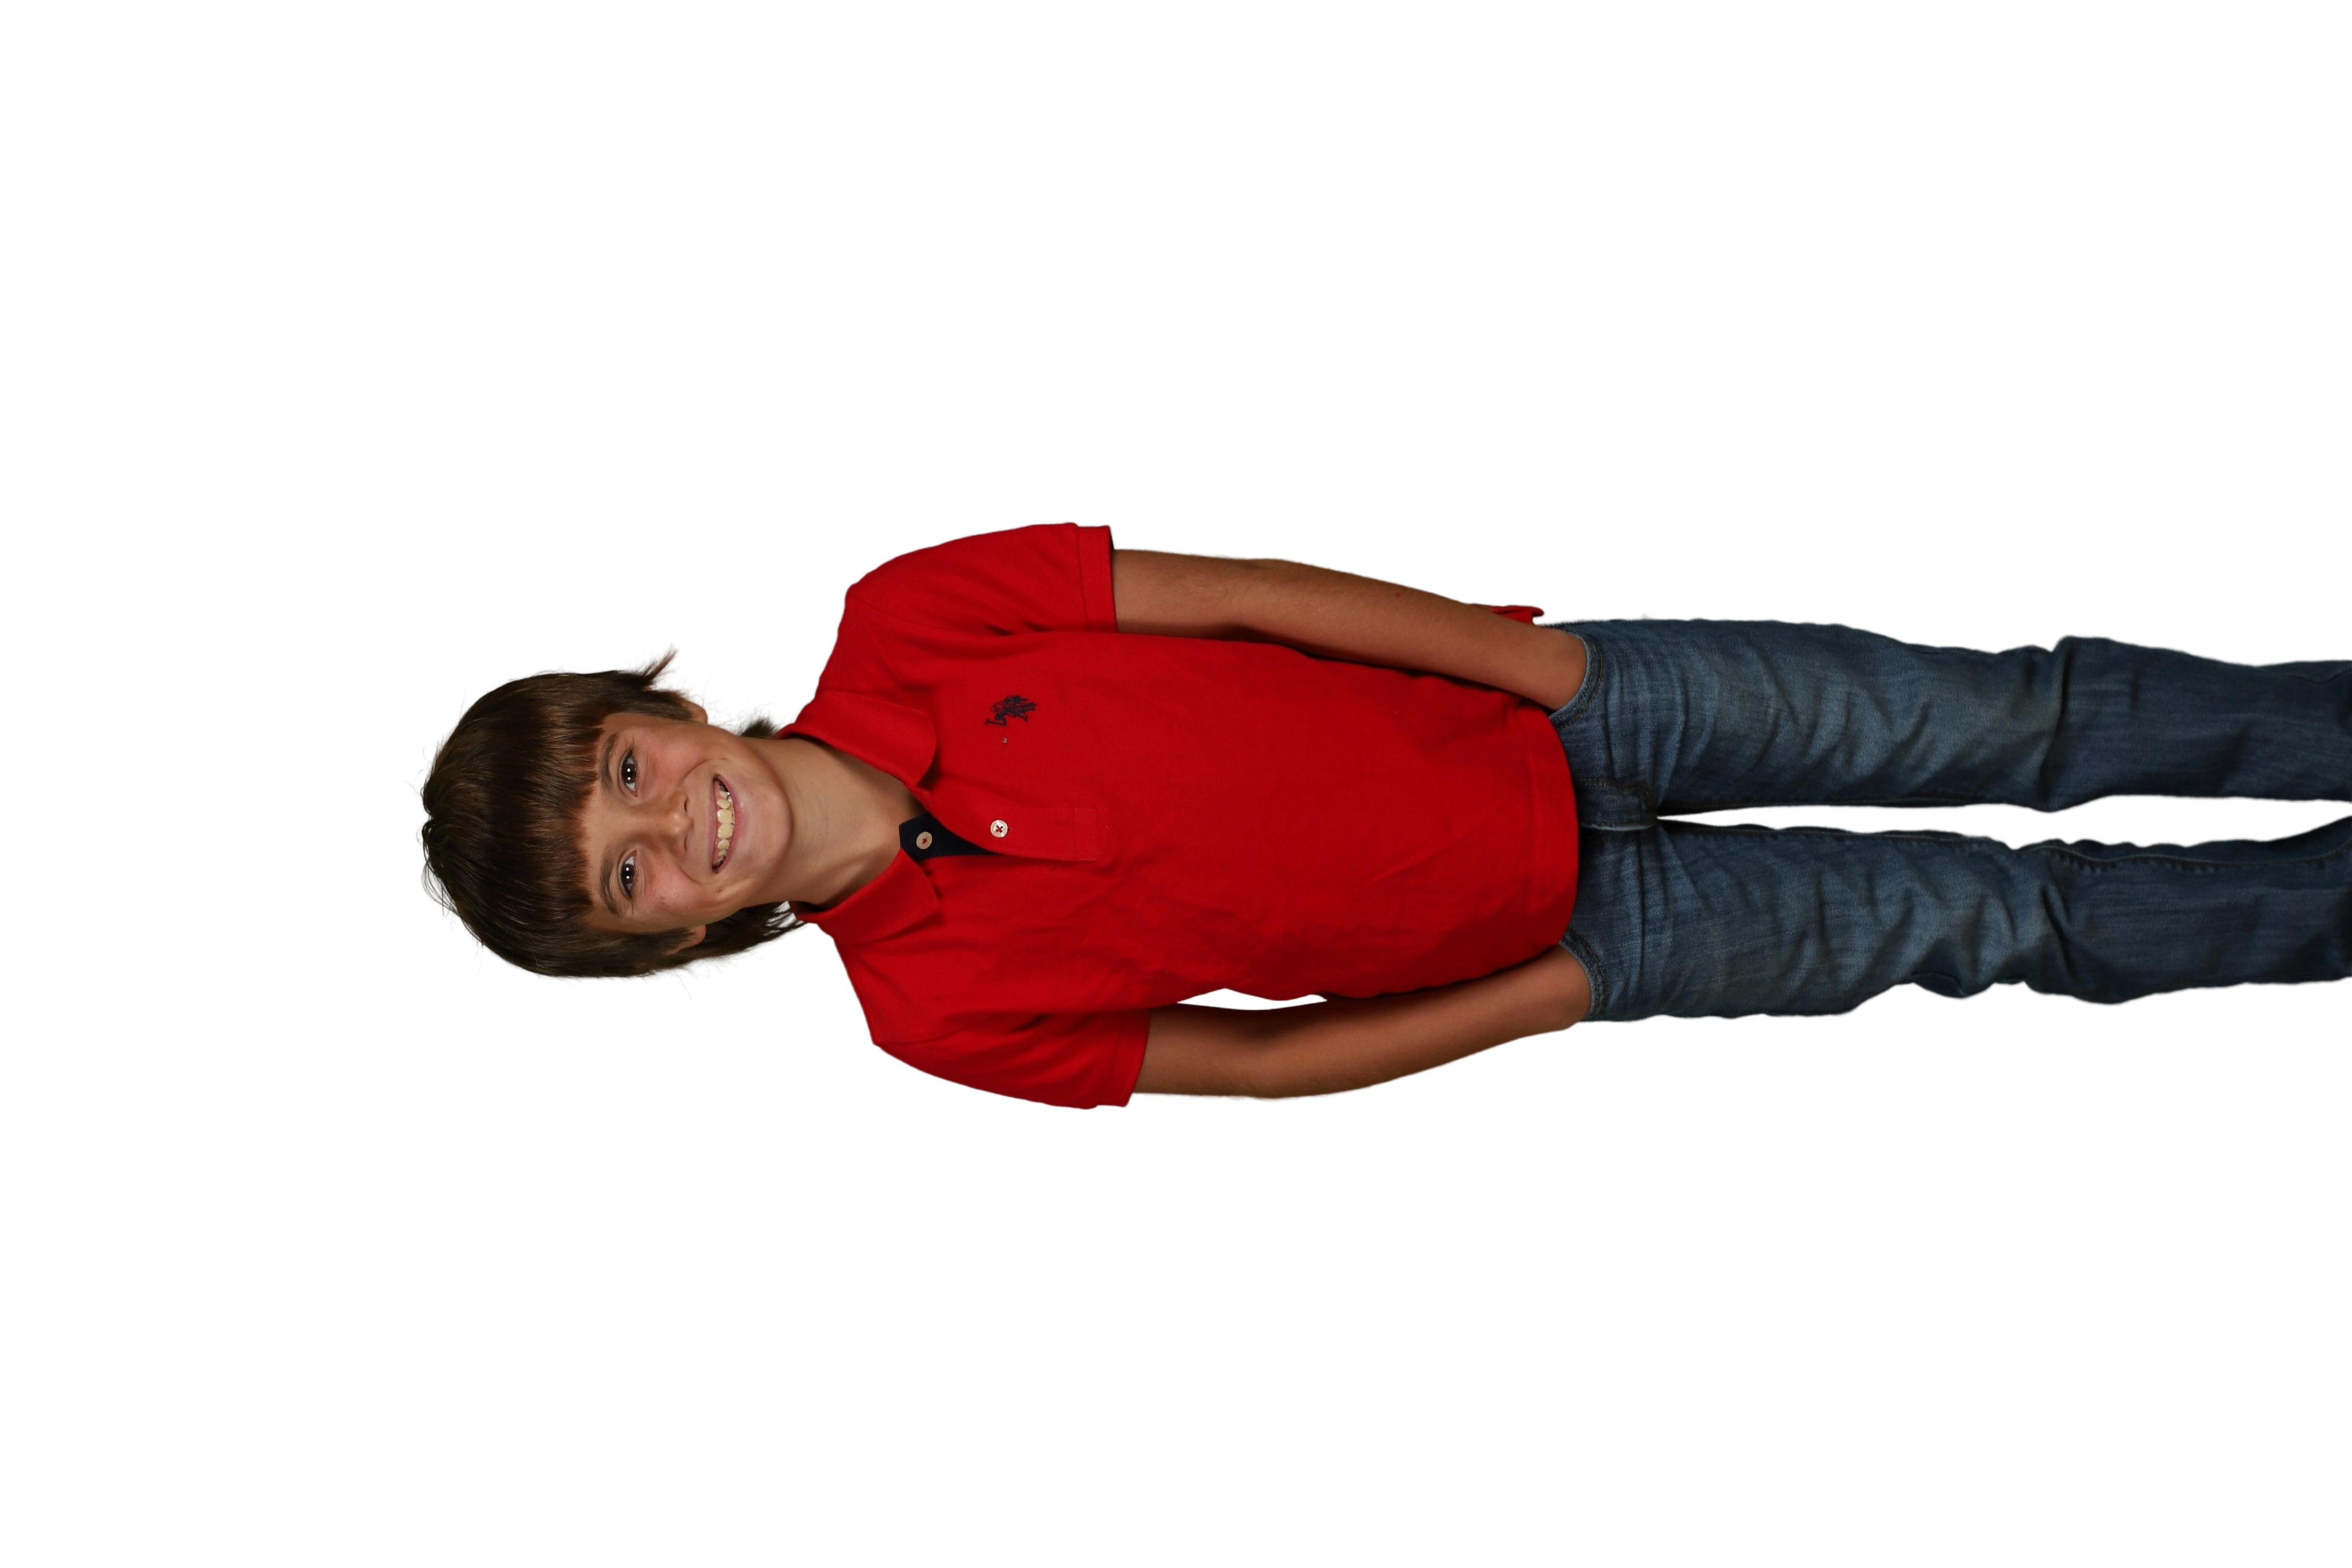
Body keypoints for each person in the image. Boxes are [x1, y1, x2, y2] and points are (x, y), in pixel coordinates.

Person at [397, 521, 2352, 1113]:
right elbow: (1254, 1067)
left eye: (627, 772)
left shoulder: (911, 613)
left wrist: (1537, 667)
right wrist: (1549, 998)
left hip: (1581, 707)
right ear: (670, 938)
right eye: (626, 876)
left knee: (2013, 716)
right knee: (2006, 923)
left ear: (666, 704)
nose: (673, 825)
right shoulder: (932, 1017)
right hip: (1592, 945)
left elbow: (1238, 595)